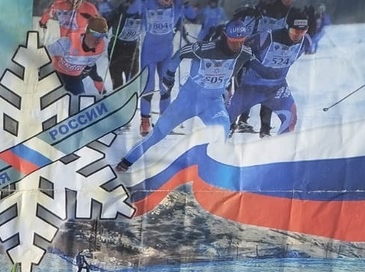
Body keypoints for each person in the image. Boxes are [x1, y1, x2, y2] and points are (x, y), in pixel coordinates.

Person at [116, 18, 252, 172]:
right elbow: (181, 53)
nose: (237, 46)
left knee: (222, 130)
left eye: (241, 41)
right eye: (233, 41)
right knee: (159, 133)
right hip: (187, 101)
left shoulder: (244, 53)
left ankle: (211, 172)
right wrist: (169, 75)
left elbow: (257, 67)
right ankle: (127, 161)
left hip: (213, 103)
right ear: (225, 36)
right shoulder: (205, 48)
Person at [227, 7, 312, 138]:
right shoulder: (266, 37)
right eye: (295, 31)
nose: (298, 35)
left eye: (303, 31)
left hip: (277, 88)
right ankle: (220, 141)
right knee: (225, 118)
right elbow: (238, 49)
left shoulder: (305, 41)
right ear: (287, 27)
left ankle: (279, 147)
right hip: (251, 87)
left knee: (291, 119)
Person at [138, 0, 198, 136]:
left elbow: (193, 16)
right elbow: (135, 7)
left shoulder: (177, 5)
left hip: (166, 53)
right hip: (149, 54)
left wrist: (186, 4)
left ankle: (164, 123)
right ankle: (145, 122)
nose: (166, 2)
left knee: (166, 87)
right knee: (148, 87)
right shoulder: (148, 3)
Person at [48, 15, 110, 96]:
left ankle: (103, 94)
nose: (99, 39)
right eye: (96, 35)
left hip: (74, 77)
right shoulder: (68, 43)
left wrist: (86, 70)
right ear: (88, 31)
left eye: (103, 35)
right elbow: (46, 52)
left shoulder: (102, 45)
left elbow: (91, 64)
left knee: (80, 97)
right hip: (56, 73)